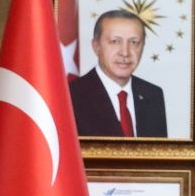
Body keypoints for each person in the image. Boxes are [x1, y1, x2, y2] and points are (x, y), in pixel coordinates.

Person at [70, 9, 168, 138]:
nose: (125, 53)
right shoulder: (72, 96)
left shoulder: (152, 94)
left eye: (134, 42)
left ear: (143, 47)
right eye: (115, 41)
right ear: (96, 46)